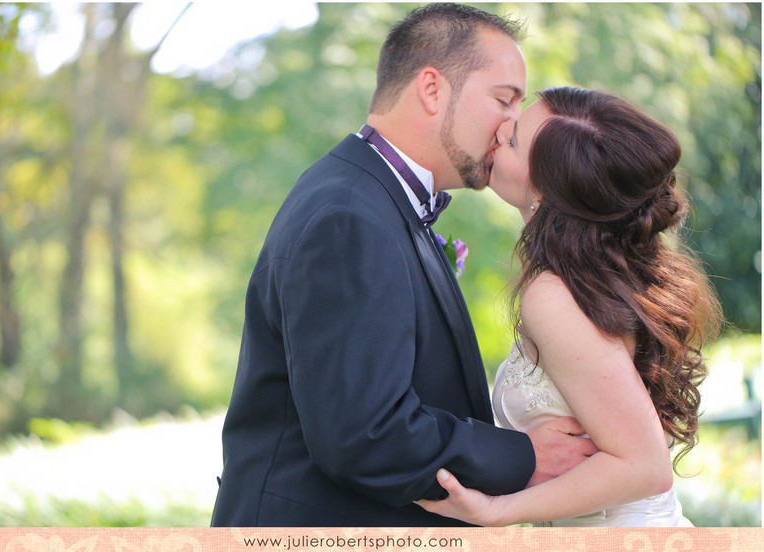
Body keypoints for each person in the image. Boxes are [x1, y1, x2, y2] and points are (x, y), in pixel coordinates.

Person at [210, 5, 596, 527]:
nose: (511, 127)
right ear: (432, 89)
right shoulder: (349, 215)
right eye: (504, 99)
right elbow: (364, 434)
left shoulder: (370, 198)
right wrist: (525, 455)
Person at [417, 86, 723, 527]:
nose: (501, 127)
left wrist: (495, 511)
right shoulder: (595, 275)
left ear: (545, 190)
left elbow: (645, 465)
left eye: (513, 140)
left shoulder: (555, 294)